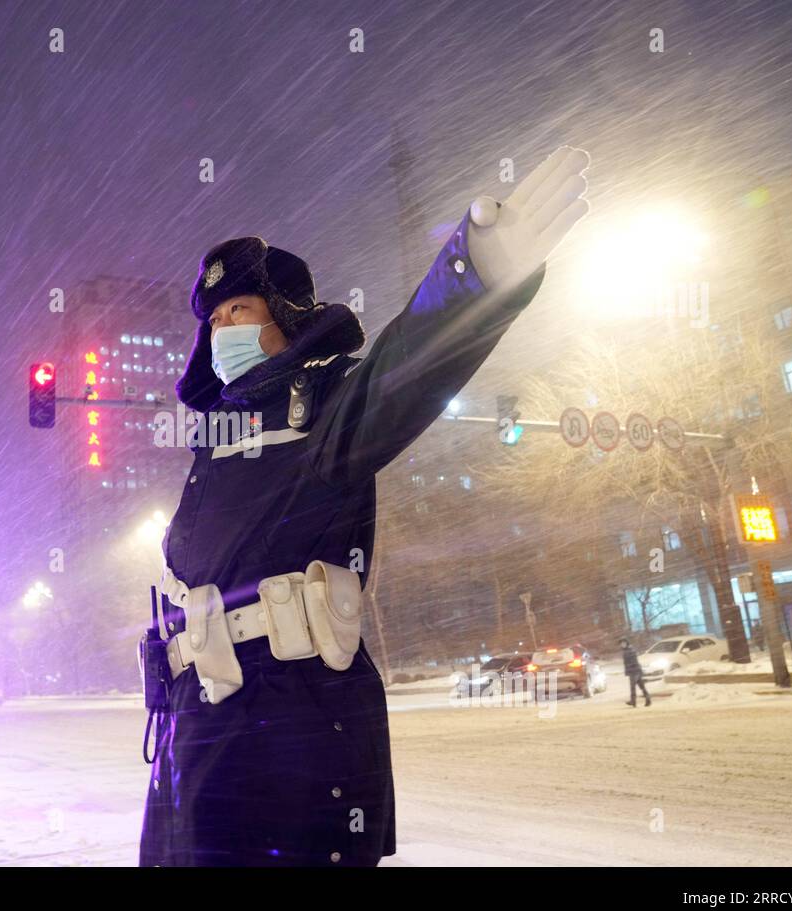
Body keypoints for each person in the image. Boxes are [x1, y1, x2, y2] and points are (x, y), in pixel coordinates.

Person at [139, 146, 591, 866]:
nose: (223, 327)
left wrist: (474, 278)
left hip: (293, 723)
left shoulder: (322, 410)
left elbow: (403, 370)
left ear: (286, 315)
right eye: (216, 315)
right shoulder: (212, 446)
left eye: (242, 307)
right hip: (194, 730)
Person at [619, 637, 652, 707]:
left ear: (627, 643)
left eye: (623, 643)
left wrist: (630, 669)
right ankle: (647, 698)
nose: (622, 645)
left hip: (634, 671)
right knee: (641, 686)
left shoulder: (629, 651)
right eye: (621, 644)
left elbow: (631, 662)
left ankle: (633, 701)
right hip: (636, 670)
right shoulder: (629, 650)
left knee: (632, 687)